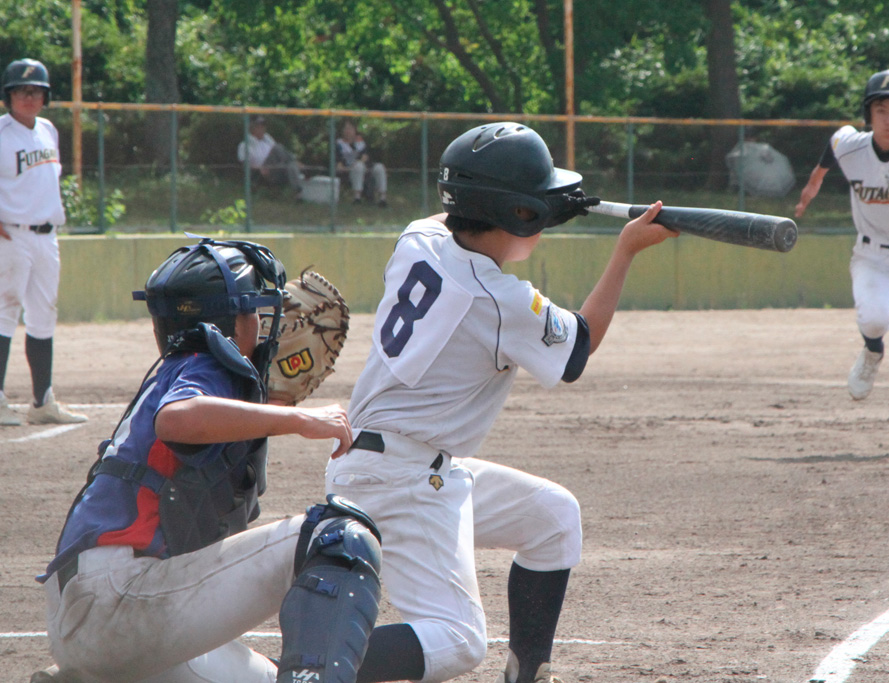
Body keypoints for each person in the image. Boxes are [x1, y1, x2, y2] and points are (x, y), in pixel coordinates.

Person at [323, 121, 677, 683]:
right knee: (458, 643)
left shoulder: (421, 237)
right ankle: (304, 670)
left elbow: (464, 217)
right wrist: (626, 248)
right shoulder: (498, 300)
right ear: (516, 214)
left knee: (553, 518)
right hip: (402, 482)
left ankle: (526, 675)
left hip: (394, 463)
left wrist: (540, 205)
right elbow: (577, 348)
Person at [33, 238, 384, 683]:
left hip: (110, 614)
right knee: (338, 536)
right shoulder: (207, 363)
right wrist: (300, 419)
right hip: (119, 598)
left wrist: (270, 402)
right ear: (229, 322)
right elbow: (178, 420)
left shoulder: (186, 371)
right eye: (255, 312)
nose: (264, 325)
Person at [795, 69, 889, 453]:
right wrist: (815, 179)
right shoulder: (853, 147)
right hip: (872, 254)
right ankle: (872, 351)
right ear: (870, 114)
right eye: (881, 110)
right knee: (874, 318)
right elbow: (835, 141)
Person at [0, 58, 87, 427]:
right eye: (21, 90)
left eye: (35, 91)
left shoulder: (48, 131)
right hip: (11, 234)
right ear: (8, 96)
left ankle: (42, 400)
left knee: (43, 315)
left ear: (45, 96)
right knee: (5, 310)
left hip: (46, 235)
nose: (28, 96)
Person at [237, 115, 304, 194]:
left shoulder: (267, 139)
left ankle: (298, 192)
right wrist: (260, 169)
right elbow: (245, 166)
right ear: (252, 128)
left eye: (263, 126)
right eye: (259, 127)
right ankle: (294, 162)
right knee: (278, 148)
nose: (262, 129)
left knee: (290, 165)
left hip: (276, 170)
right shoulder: (245, 145)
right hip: (261, 173)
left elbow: (280, 155)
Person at [336, 119, 387, 206]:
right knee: (358, 166)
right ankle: (357, 197)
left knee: (379, 167)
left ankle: (382, 198)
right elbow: (338, 164)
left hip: (366, 168)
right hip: (348, 169)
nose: (348, 131)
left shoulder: (361, 142)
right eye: (346, 129)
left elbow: (366, 157)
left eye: (350, 129)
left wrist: (363, 160)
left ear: (355, 130)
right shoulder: (339, 144)